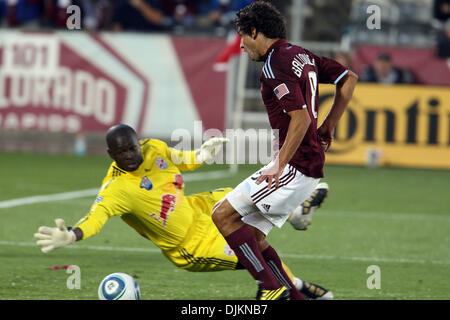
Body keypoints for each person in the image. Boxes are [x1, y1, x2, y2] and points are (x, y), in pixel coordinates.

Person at [34, 124, 333, 300]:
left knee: (244, 197)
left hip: (199, 207)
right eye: (121, 153)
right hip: (190, 245)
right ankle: (294, 286)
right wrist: (72, 234)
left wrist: (201, 154)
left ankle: (296, 215)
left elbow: (181, 159)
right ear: (111, 155)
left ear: (138, 143)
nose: (129, 155)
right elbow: (96, 219)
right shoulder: (116, 189)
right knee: (254, 249)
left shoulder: (153, 148)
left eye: (131, 148)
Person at [211, 1, 358, 300]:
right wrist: (330, 124)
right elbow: (348, 79)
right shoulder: (301, 54)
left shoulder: (273, 65)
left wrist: (278, 164)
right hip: (306, 163)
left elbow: (301, 118)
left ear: (255, 31)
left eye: (242, 36)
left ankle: (270, 288)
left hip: (296, 166)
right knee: (251, 238)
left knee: (222, 216)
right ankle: (294, 297)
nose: (240, 45)